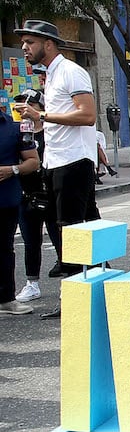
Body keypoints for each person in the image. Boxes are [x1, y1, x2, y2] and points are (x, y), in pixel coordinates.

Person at [12, 20, 100, 283]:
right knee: (80, 226)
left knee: (71, 231)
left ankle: (78, 291)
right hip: (56, 161)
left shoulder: (70, 71)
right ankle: (99, 284)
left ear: (48, 44)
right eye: (23, 43)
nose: (24, 48)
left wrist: (41, 115)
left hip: (73, 160)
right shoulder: (51, 75)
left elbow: (88, 115)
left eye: (30, 42)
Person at [0, 107, 40, 315]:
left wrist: (12, 170)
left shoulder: (15, 128)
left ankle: (6, 299)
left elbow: (33, 161)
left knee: (4, 249)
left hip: (5, 200)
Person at [13, 90, 49, 304]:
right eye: (19, 104)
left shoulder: (51, 132)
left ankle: (69, 277)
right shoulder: (18, 132)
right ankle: (32, 282)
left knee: (60, 237)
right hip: (26, 194)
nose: (23, 109)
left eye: (29, 104)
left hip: (49, 192)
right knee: (30, 240)